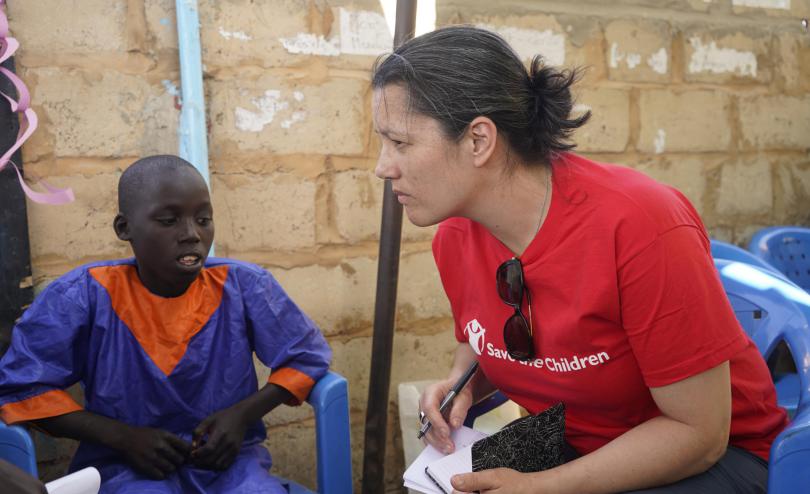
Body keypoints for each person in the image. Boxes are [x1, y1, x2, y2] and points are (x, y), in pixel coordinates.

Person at [372, 26, 787, 493]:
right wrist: (462, 383)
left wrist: (544, 487)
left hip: (713, 456)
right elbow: (482, 337)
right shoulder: (454, 235)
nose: (383, 166)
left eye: (401, 143)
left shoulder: (640, 225)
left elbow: (701, 435)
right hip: (575, 442)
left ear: (478, 141)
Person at [0, 155, 331, 493]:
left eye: (203, 219)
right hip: (125, 466)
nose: (191, 234)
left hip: (229, 464)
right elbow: (23, 387)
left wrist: (241, 416)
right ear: (124, 228)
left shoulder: (245, 286)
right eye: (169, 220)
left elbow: (306, 355)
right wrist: (123, 438)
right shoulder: (82, 296)